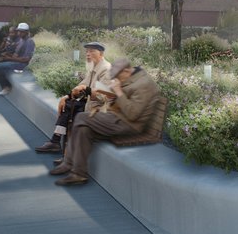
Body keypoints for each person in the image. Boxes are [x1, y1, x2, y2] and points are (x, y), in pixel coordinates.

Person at [51, 58, 161, 186]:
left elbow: (132, 114)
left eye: (118, 76)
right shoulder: (130, 78)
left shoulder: (144, 85)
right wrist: (106, 94)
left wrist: (119, 92)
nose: (116, 80)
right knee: (83, 129)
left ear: (126, 71)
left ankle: (68, 163)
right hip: (116, 117)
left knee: (81, 117)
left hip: (129, 124)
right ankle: (78, 174)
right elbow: (118, 99)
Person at [35, 42, 112, 154]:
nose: (88, 54)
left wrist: (86, 89)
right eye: (87, 51)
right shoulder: (93, 67)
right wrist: (66, 96)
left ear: (101, 53)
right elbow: (82, 84)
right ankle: (56, 142)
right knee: (68, 104)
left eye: (92, 51)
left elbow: (103, 97)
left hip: (100, 108)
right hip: (90, 102)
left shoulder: (106, 69)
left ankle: (61, 147)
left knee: (72, 110)